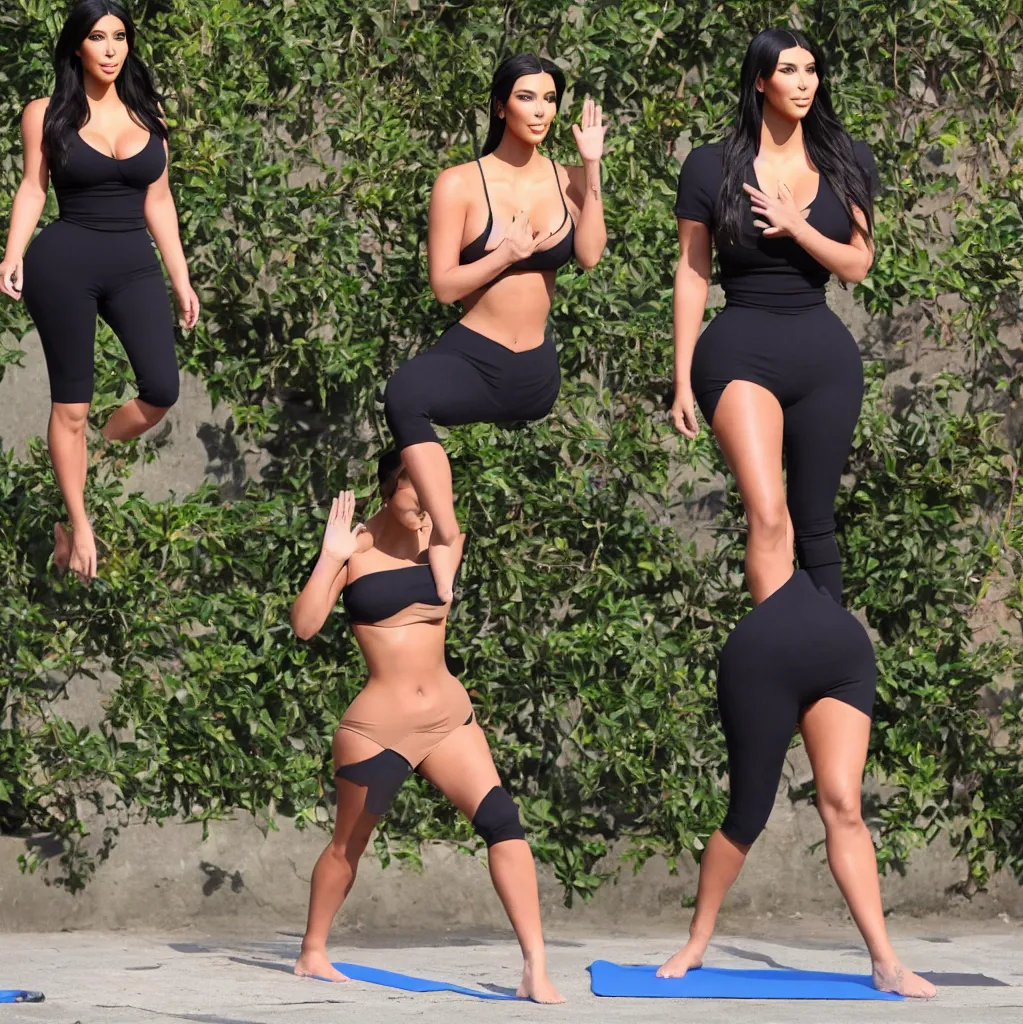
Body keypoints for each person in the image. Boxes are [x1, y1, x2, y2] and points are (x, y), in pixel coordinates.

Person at [289, 450, 564, 1003]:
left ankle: (535, 964)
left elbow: (445, 575)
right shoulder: (354, 549)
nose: (429, 507)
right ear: (389, 490)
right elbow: (305, 627)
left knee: (503, 822)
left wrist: (438, 525)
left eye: (437, 495)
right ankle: (312, 951)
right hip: (378, 728)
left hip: (447, 719)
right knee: (349, 845)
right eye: (418, 496)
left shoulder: (443, 536)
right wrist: (329, 558)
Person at [383, 52, 608, 603]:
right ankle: (446, 532)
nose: (541, 111)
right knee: (404, 395)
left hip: (533, 375)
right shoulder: (459, 184)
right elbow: (444, 286)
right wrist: (504, 254)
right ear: (501, 104)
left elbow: (590, 256)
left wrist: (593, 168)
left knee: (413, 398)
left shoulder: (568, 178)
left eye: (550, 99)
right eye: (527, 97)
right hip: (473, 355)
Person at [671, 27, 879, 606]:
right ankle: (777, 652)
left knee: (815, 522)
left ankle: (827, 668)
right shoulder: (710, 166)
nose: (804, 82)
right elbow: (692, 273)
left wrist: (799, 227)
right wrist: (681, 378)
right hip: (739, 353)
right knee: (768, 515)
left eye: (810, 69)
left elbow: (858, 265)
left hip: (824, 360)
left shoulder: (847, 158)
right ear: (760, 80)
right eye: (788, 70)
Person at [658, 569, 936, 998]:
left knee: (844, 805)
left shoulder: (818, 511)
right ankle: (697, 942)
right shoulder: (773, 526)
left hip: (841, 659)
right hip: (763, 660)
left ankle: (886, 964)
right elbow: (769, 521)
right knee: (746, 818)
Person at [0, 0, 199, 581]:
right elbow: (33, 189)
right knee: (72, 404)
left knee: (160, 389)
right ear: (77, 47)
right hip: (63, 261)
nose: (110, 49)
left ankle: (94, 457)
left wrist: (180, 278)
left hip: (134, 261)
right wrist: (12, 254)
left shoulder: (149, 112)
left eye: (118, 37)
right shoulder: (47, 112)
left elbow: (159, 201)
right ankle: (78, 524)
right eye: (97, 38)